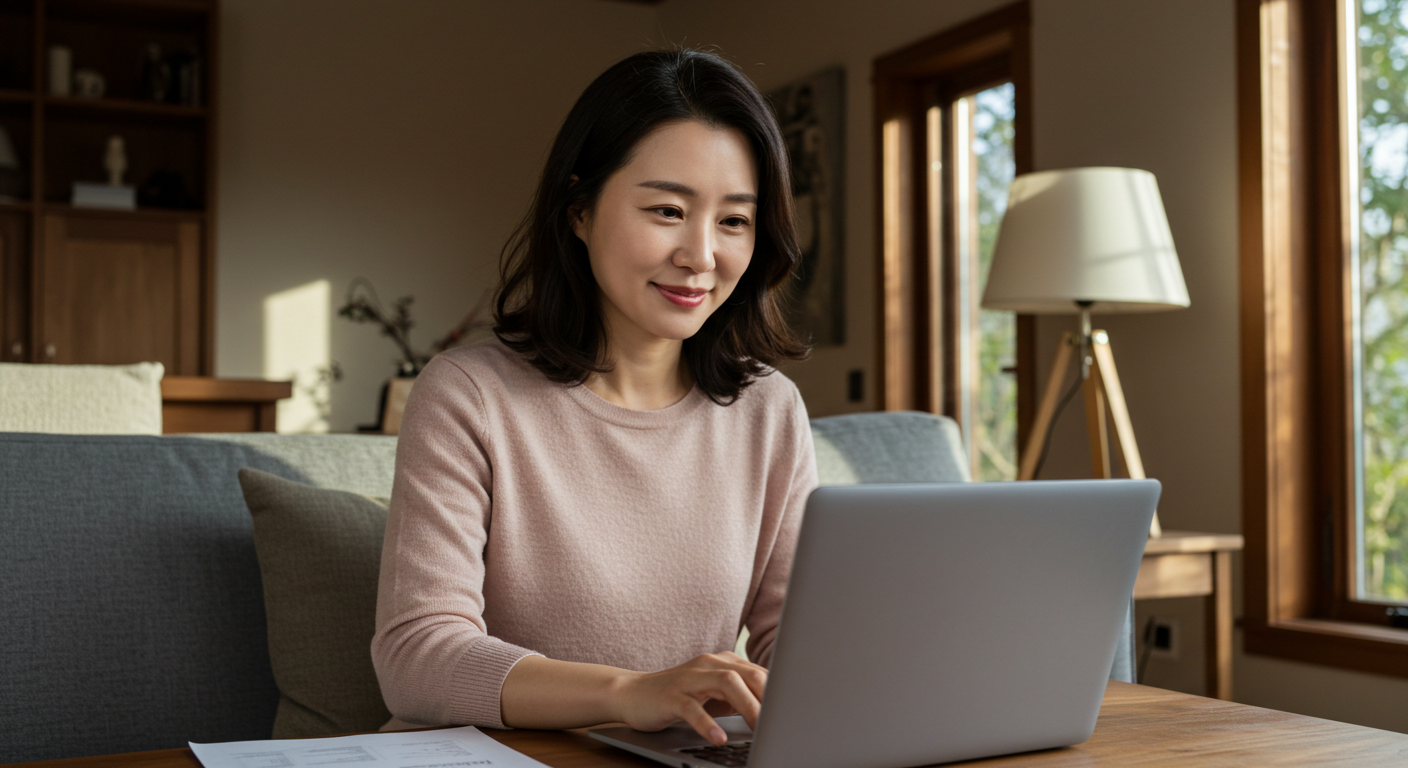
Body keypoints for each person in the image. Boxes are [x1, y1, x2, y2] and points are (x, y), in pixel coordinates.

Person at [371, 48, 817, 748]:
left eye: (734, 221)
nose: (701, 255)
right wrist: (631, 692)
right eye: (668, 210)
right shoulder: (469, 395)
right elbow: (416, 656)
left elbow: (796, 646)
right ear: (579, 209)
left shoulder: (770, 409)